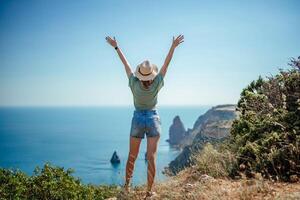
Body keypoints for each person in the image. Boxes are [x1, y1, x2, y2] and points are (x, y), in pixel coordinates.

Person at [105, 34, 184, 198]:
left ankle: (127, 187)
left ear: (140, 73)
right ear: (151, 75)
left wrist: (116, 46)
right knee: (152, 157)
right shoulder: (157, 83)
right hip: (153, 119)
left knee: (132, 156)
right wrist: (173, 47)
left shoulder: (134, 83)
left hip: (138, 119)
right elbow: (166, 65)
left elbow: (125, 64)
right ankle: (149, 192)